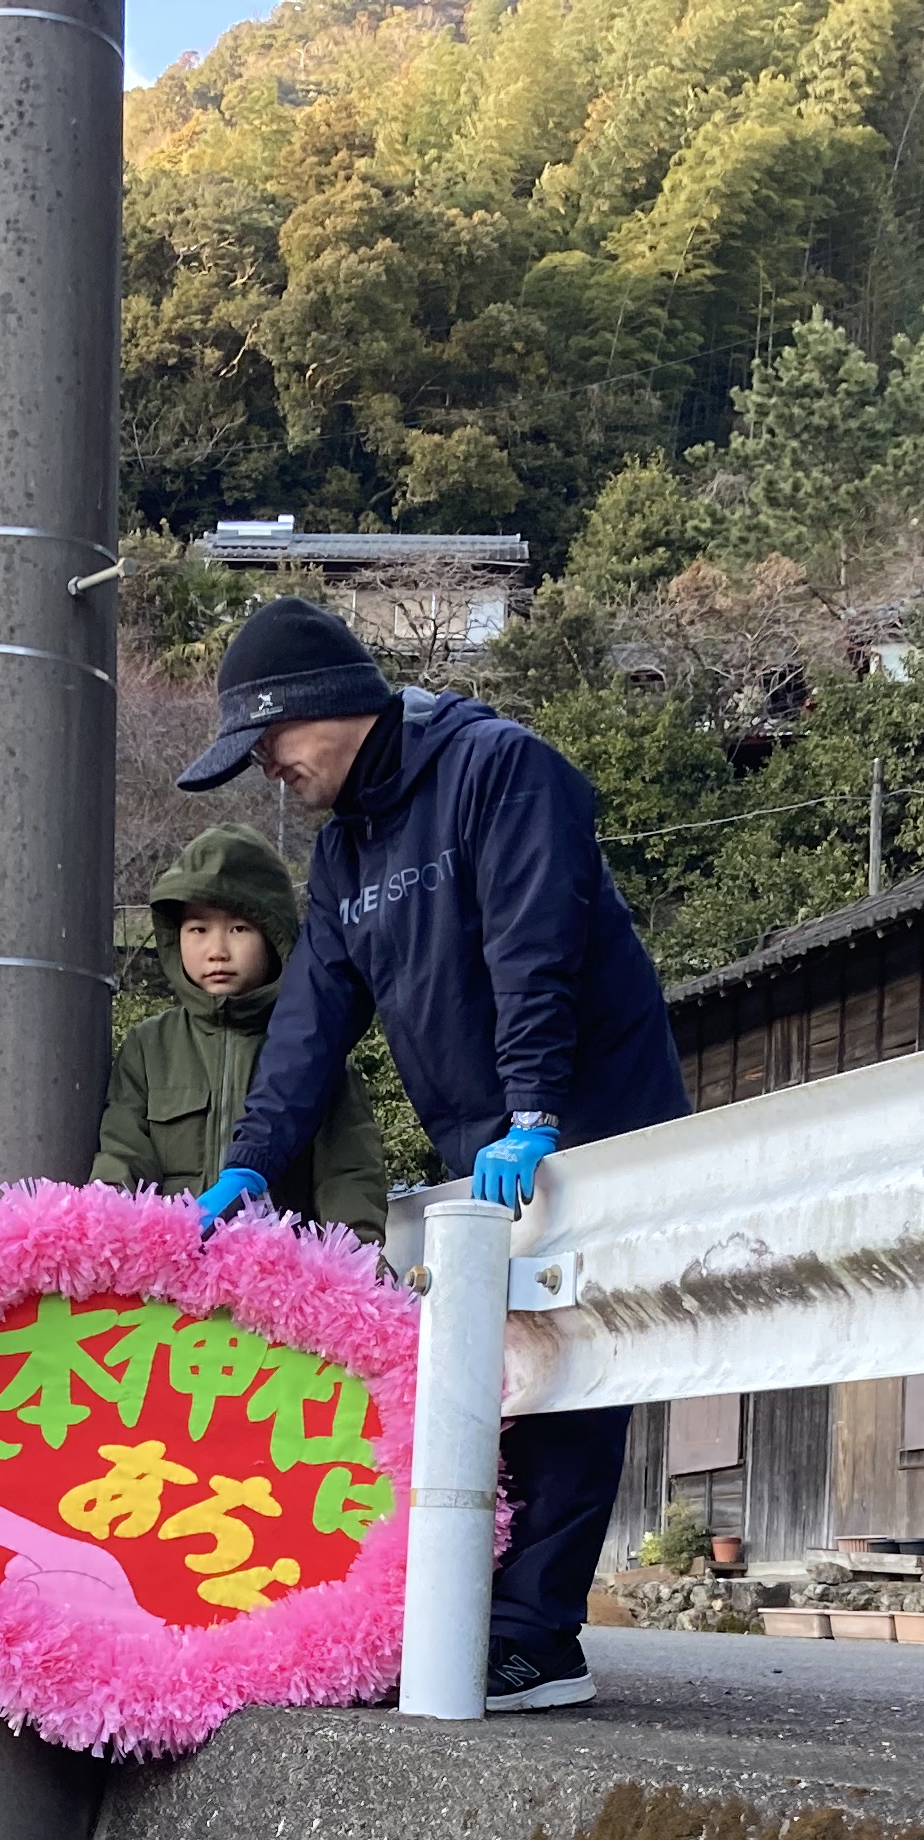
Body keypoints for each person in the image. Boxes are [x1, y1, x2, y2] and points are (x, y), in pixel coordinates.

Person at [179, 594, 691, 1713]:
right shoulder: (346, 848)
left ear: (328, 709)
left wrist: (537, 1109)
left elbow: (532, 942)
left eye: (271, 741)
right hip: (487, 1135)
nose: (268, 766)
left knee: (565, 1373)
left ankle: (537, 1639)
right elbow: (312, 1018)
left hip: (579, 1111)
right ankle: (473, 1617)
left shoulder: (499, 770)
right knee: (486, 1378)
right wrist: (251, 1162)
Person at [92, 824, 389, 1233]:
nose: (217, 950)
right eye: (198, 929)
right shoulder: (149, 1046)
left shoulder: (314, 1048)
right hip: (168, 1280)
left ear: (274, 936)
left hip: (281, 1280)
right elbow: (120, 1159)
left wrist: (359, 1261)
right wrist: (106, 1241)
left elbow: (350, 1173)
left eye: (239, 929)